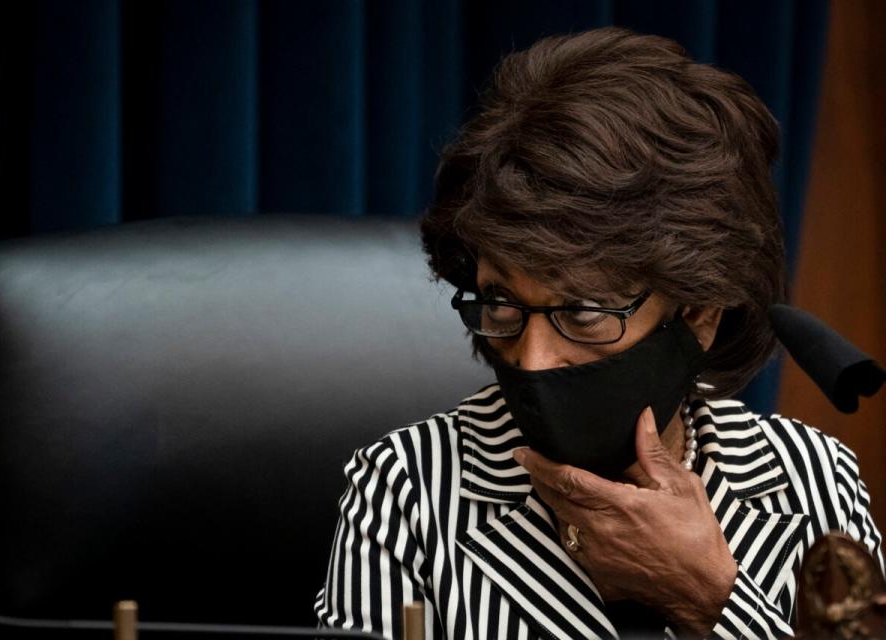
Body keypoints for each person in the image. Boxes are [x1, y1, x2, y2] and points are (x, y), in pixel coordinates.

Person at [314, 27, 884, 639]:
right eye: (502, 303)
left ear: (699, 311)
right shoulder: (407, 488)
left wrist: (710, 599)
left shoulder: (812, 481)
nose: (532, 360)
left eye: (583, 313)